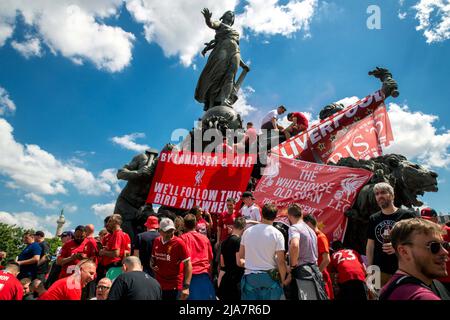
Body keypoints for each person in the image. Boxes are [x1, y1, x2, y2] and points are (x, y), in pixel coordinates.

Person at [379, 218, 450, 300]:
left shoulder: (391, 287)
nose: (445, 252)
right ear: (404, 252)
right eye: (434, 246)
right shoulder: (420, 296)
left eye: (444, 245)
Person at [195, 8, 250, 110]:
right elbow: (211, 24)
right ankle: (211, 103)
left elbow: (235, 47)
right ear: (224, 16)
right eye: (229, 13)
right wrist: (208, 19)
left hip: (235, 52)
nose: (231, 15)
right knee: (217, 77)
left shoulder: (234, 32)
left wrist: (243, 65)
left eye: (233, 15)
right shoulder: (220, 24)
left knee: (230, 76)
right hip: (222, 52)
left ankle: (224, 99)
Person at [366, 182, 417, 288]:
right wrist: (370, 269)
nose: (380, 196)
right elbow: (370, 245)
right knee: (378, 296)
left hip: (403, 270)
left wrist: (397, 248)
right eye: (377, 194)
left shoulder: (407, 215)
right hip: (379, 271)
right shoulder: (373, 218)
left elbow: (416, 241)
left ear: (392, 195)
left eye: (383, 192)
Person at [237, 203, 290, 300]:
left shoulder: (247, 232)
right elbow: (281, 262)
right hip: (270, 278)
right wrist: (282, 281)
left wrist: (252, 264)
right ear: (275, 217)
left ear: (261, 215)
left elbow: (240, 258)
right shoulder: (277, 234)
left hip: (250, 278)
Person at [114, 150, 157, 243]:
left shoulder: (165, 170)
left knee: (148, 234)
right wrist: (137, 173)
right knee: (129, 237)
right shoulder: (141, 158)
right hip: (126, 203)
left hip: (143, 207)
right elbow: (120, 173)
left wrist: (147, 207)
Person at [287, 204, 328, 300]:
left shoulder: (294, 228)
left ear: (289, 216)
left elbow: (295, 245)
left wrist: (292, 266)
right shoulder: (311, 230)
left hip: (302, 272)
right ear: (301, 215)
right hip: (314, 270)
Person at [151, 218, 192, 300]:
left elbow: (188, 265)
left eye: (171, 230)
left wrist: (186, 287)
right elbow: (153, 258)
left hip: (174, 286)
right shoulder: (156, 241)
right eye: (167, 231)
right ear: (160, 231)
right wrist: (151, 264)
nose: (170, 234)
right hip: (158, 285)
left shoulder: (179, 243)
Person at [180, 214, 215, 300]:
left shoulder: (182, 239)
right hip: (204, 277)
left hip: (188, 280)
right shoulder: (205, 239)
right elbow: (210, 260)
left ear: (184, 225)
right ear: (196, 224)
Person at [304, 214, 333, 299]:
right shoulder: (313, 236)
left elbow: (327, 259)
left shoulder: (320, 237)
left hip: (321, 277)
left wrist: (317, 274)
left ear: (308, 224)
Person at [218, 217, 246, 300]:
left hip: (225, 280)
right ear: (243, 229)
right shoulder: (239, 241)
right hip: (236, 282)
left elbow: (222, 264)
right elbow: (239, 262)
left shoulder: (224, 242)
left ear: (234, 226)